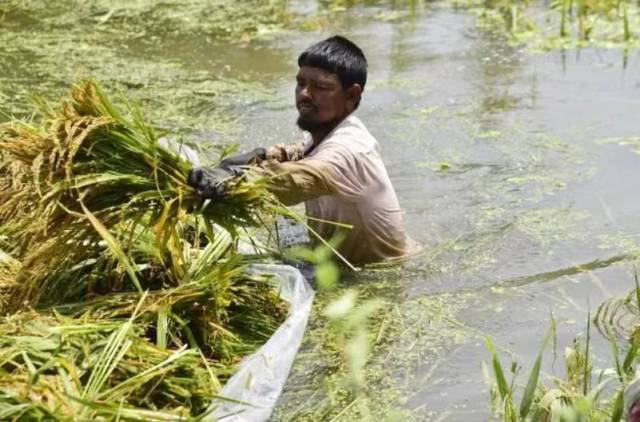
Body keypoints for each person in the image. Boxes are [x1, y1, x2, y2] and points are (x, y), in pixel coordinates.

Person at [188, 35, 407, 265]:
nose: (304, 94)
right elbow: (297, 154)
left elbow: (294, 179)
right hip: (333, 265)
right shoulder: (323, 137)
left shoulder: (350, 150)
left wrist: (232, 180)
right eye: (301, 83)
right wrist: (259, 155)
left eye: (321, 87)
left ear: (351, 95)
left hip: (377, 276)